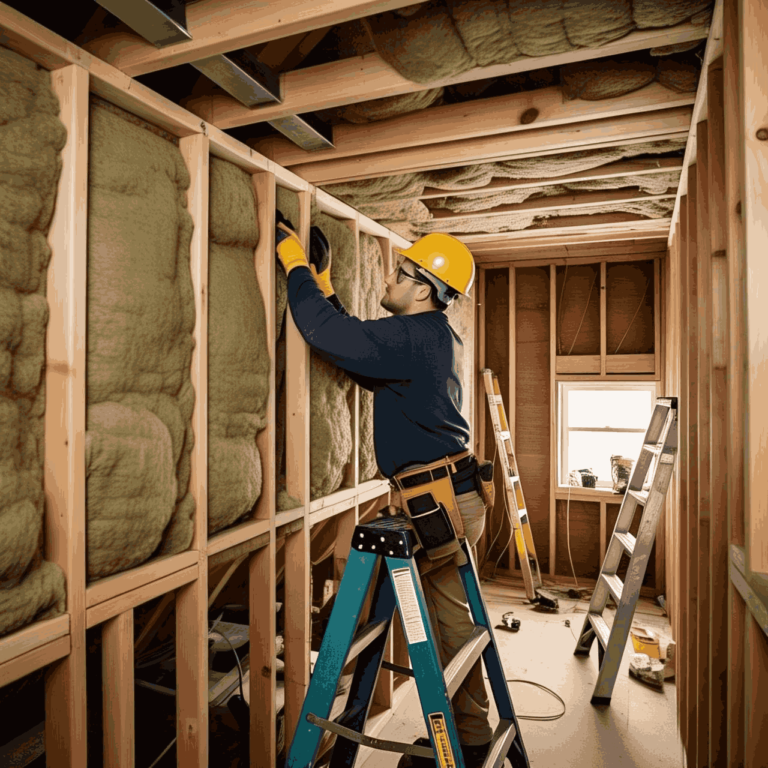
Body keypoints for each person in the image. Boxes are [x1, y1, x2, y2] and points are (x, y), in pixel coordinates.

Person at [275, 220, 494, 768]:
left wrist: (293, 265)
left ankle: (454, 735)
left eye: (400, 272)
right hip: (447, 496)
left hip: (434, 503)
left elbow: (326, 334)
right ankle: (471, 736)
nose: (390, 278)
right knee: (450, 623)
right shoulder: (428, 338)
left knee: (422, 613)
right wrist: (325, 285)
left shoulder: (415, 336)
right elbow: (358, 349)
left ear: (423, 289)